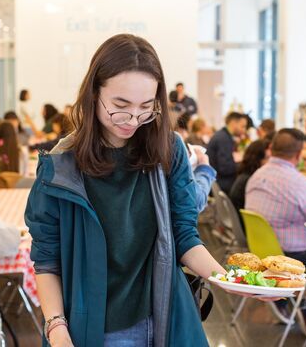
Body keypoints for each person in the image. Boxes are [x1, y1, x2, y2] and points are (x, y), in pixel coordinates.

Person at [25, 34, 254, 347]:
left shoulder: (167, 150)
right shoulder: (60, 167)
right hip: (94, 327)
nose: (133, 119)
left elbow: (185, 237)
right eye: (120, 105)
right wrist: (56, 326)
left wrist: (230, 280)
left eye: (147, 107)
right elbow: (47, 260)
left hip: (163, 317)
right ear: (94, 93)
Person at [245, 128, 306, 266]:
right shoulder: (299, 183)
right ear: (299, 155)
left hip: (259, 250)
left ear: (270, 148)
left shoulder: (255, 176)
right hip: (291, 255)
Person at [229, 139, 270, 225]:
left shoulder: (245, 175)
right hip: (249, 228)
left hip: (242, 225)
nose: (270, 163)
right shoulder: (251, 181)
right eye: (267, 158)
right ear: (256, 160)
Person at [206, 112, 248, 194]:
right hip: (219, 183)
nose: (244, 130)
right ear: (233, 123)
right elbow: (225, 168)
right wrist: (242, 165)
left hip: (216, 180)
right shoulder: (223, 139)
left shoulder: (223, 135)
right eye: (243, 126)